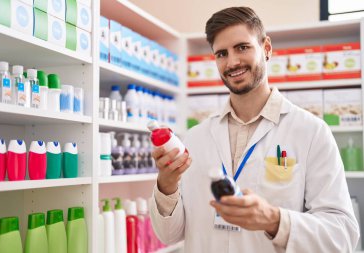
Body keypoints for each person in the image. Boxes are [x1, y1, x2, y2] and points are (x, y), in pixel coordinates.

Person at [149, 6, 360, 253]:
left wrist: (273, 219)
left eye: (242, 47)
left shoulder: (311, 132)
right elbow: (169, 235)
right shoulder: (195, 138)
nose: (232, 62)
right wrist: (167, 185)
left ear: (266, 48)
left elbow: (342, 235)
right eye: (221, 54)